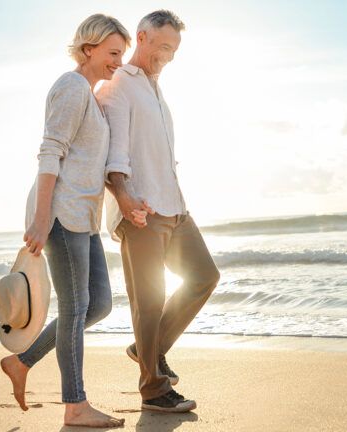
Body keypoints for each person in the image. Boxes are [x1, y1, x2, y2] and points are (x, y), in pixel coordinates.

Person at [0, 14, 137, 428]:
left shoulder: (91, 96)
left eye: (121, 55)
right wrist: (42, 220)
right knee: (76, 308)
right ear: (88, 48)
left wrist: (124, 201)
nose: (117, 62)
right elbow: (49, 152)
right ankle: (75, 406)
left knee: (98, 304)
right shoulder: (71, 86)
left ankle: (21, 361)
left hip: (84, 216)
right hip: (60, 214)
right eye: (113, 53)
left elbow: (89, 164)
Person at [98, 10, 221, 413]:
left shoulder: (155, 87)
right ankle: (153, 390)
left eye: (174, 50)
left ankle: (147, 349)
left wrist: (180, 203)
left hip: (174, 206)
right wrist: (124, 198)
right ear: (142, 37)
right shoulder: (119, 84)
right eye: (163, 47)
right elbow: (114, 153)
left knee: (205, 276)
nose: (167, 56)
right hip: (142, 210)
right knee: (148, 301)